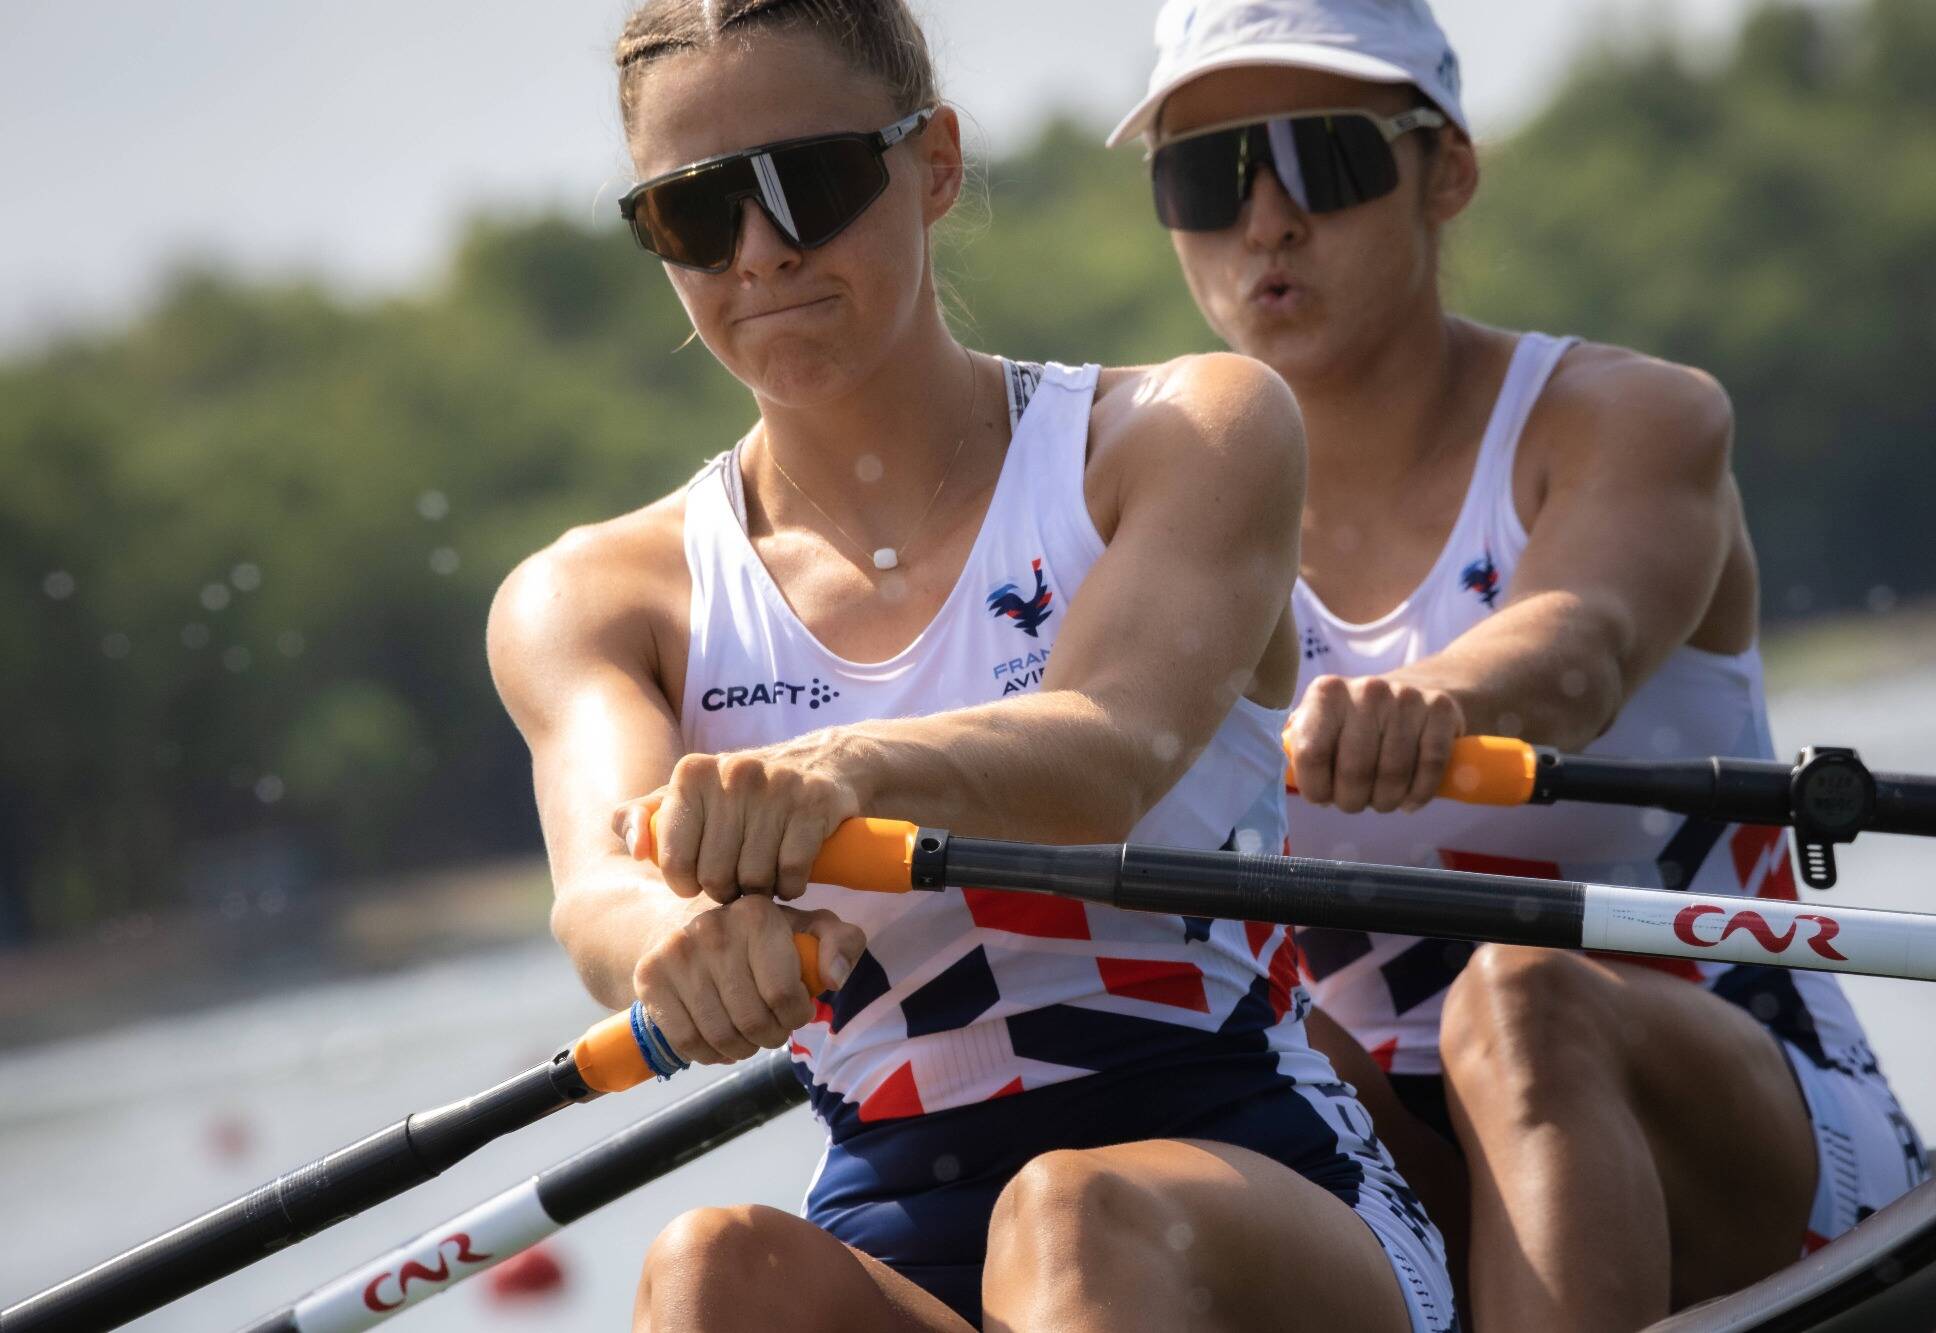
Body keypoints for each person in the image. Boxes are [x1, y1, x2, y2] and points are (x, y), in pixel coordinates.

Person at [487, 2, 1454, 1329]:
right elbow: (602, 885)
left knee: (1071, 1217)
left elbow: (1106, 753)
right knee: (709, 1268)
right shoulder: (589, 596)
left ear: (933, 161)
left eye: (811, 183)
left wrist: (842, 772)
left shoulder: (1183, 432)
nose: (762, 252)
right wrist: (682, 944)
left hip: (1253, 1163)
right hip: (900, 1211)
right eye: (697, 214)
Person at [1110, 1, 1926, 1329]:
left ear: (1450, 171)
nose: (1266, 219)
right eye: (1207, 175)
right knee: (1187, 1060)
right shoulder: (1153, 513)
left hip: (1752, 1113)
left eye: (1324, 157)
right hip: (1394, 1141)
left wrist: (1443, 697)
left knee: (1522, 997)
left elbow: (1580, 648)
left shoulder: (1632, 420)